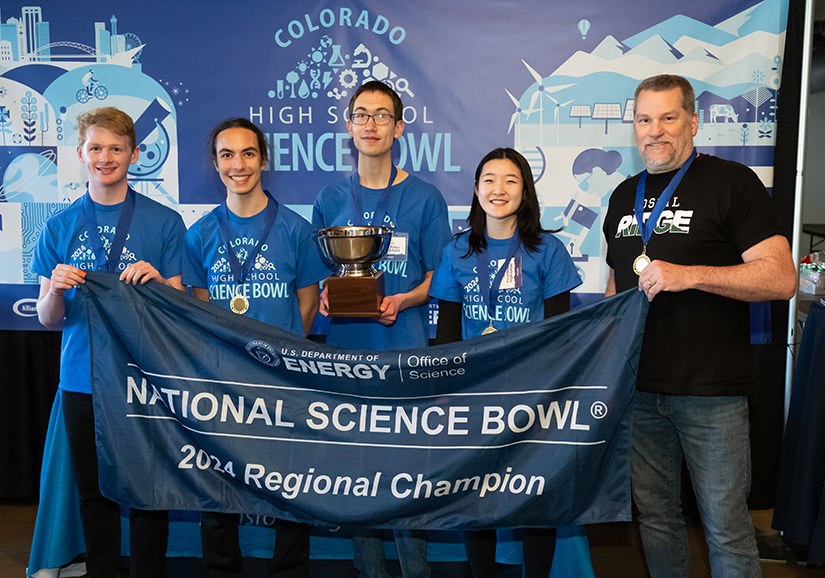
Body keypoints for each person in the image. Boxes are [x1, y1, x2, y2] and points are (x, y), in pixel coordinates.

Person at [602, 74, 796, 577]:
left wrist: (690, 276)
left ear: (694, 122)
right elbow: (615, 289)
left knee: (726, 528)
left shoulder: (732, 182)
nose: (655, 131)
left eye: (668, 118)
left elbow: (780, 277)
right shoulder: (623, 195)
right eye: (645, 119)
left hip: (712, 392)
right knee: (656, 520)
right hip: (641, 392)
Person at [31, 107, 186, 578]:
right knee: (92, 491)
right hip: (82, 378)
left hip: (144, 378)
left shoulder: (164, 221)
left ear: (134, 154)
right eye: (96, 148)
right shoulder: (58, 227)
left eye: (116, 148)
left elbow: (181, 308)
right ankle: (100, 570)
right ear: (80, 154)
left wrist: (159, 283)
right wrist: (55, 289)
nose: (106, 157)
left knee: (149, 490)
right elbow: (47, 319)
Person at [312, 80, 451, 578]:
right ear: (349, 127)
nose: (371, 124)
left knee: (405, 474)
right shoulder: (330, 198)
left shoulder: (425, 197)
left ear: (399, 126)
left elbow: (439, 275)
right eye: (362, 115)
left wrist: (403, 299)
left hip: (403, 350)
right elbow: (319, 274)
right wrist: (328, 296)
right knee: (359, 475)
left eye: (382, 115)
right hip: (348, 350)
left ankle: (416, 572)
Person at [184, 118, 328, 578]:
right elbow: (203, 308)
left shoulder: (295, 229)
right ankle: (222, 569)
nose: (238, 164)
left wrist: (277, 352)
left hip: (282, 378)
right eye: (227, 154)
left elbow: (305, 306)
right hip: (222, 377)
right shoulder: (199, 234)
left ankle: (289, 570)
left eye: (248, 153)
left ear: (263, 159)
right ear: (215, 164)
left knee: (291, 482)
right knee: (218, 482)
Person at [429, 147, 582, 577]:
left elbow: (560, 334)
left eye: (511, 180)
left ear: (525, 191)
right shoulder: (456, 252)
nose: (499, 189)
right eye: (489, 180)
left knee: (535, 495)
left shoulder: (549, 251)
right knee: (476, 493)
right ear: (476, 190)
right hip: (475, 394)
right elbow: (446, 337)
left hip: (533, 392)